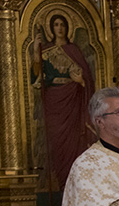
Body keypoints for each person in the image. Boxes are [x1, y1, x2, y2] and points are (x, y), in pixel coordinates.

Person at [31, 13, 97, 189]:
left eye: (62, 24)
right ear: (51, 28)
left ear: (67, 28)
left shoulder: (74, 50)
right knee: (58, 145)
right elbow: (36, 78)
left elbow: (88, 81)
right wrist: (37, 54)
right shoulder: (45, 51)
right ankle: (61, 184)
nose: (59, 28)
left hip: (73, 102)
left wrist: (81, 82)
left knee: (73, 143)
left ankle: (76, 184)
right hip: (54, 103)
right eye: (56, 25)